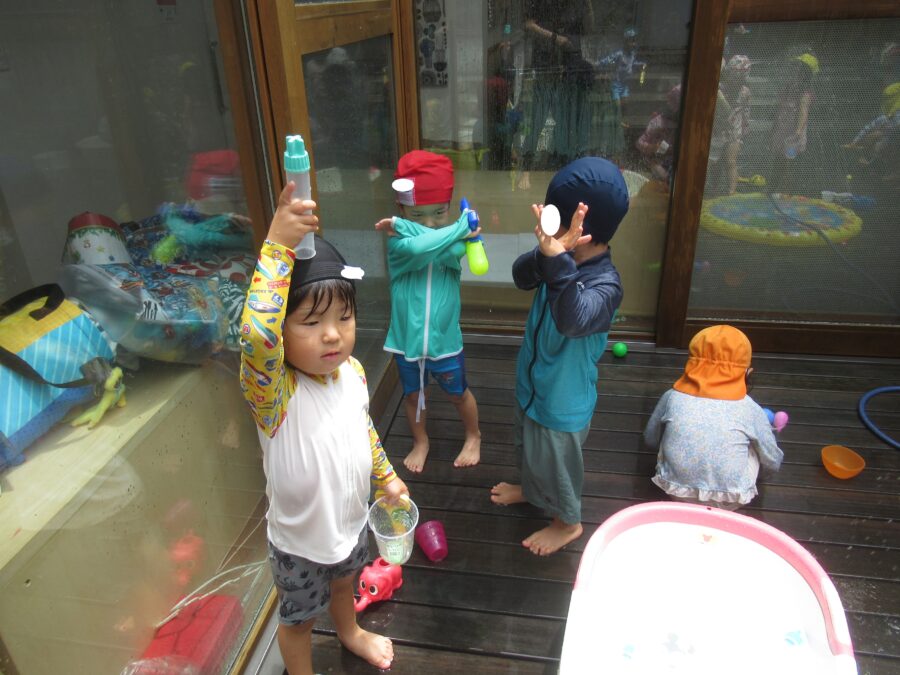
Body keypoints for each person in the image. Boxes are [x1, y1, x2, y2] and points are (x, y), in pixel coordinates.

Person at [239, 183, 409, 674]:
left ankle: (351, 632)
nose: (332, 333)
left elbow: (364, 431)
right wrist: (277, 246)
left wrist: (386, 476)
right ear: (283, 334)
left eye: (344, 316)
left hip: (351, 523)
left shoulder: (351, 373)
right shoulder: (274, 394)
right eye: (311, 322)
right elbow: (256, 336)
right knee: (298, 622)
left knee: (344, 587)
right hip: (298, 545)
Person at [490, 156, 628, 556]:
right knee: (528, 446)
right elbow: (520, 277)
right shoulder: (555, 256)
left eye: (554, 219)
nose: (547, 228)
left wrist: (558, 260)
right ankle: (531, 489)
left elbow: (572, 319)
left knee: (557, 463)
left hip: (563, 401)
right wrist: (547, 256)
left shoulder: (607, 284)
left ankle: (567, 522)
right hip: (533, 383)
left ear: (584, 230)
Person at [374, 150, 483, 473]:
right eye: (417, 215)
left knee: (458, 394)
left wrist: (406, 226)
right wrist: (462, 225)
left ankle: (474, 435)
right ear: (401, 209)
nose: (430, 222)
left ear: (448, 206)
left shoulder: (450, 244)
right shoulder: (398, 244)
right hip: (406, 341)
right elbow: (418, 247)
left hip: (445, 341)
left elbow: (446, 249)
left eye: (439, 212)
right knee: (412, 395)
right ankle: (420, 441)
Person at [644, 324, 784, 511]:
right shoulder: (750, 408)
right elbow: (772, 460)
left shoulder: (672, 396)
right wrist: (761, 476)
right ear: (748, 372)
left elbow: (650, 439)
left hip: (676, 490)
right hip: (732, 499)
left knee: (668, 429)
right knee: (756, 442)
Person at [708, 55, 752, 195]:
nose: (738, 78)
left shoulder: (744, 92)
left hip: (734, 130)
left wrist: (745, 126)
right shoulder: (720, 88)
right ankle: (713, 189)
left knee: (731, 161)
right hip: (718, 129)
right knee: (713, 162)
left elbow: (746, 110)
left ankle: (732, 191)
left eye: (741, 75)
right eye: (735, 74)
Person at [635, 83, 682, 183]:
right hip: (657, 163)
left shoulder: (686, 126)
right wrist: (652, 147)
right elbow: (639, 143)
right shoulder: (659, 121)